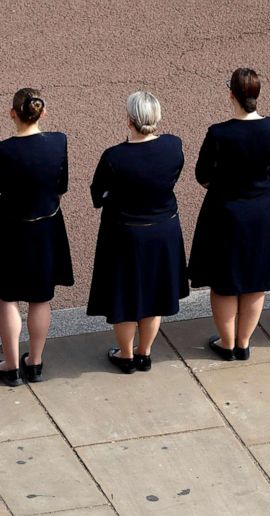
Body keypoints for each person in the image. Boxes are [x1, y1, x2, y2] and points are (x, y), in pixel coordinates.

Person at [188, 68, 270, 361]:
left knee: (224, 281)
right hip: (261, 213)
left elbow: (202, 175)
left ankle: (227, 342)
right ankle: (243, 342)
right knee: (255, 280)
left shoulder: (219, 133)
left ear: (231, 93)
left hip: (225, 214)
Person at [0, 88, 73, 385]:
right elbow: (62, 185)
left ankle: (11, 364)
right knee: (40, 297)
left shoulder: (2, 150)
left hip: (10, 230)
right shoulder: (58, 142)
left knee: (8, 297)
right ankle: (35, 361)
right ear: (42, 112)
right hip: (46, 228)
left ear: (13, 113)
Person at [87, 91, 188, 373]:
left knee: (124, 296)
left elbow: (98, 196)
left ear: (129, 120)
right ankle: (144, 352)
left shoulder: (114, 157)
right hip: (163, 230)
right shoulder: (173, 146)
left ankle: (126, 354)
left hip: (125, 234)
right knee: (154, 294)